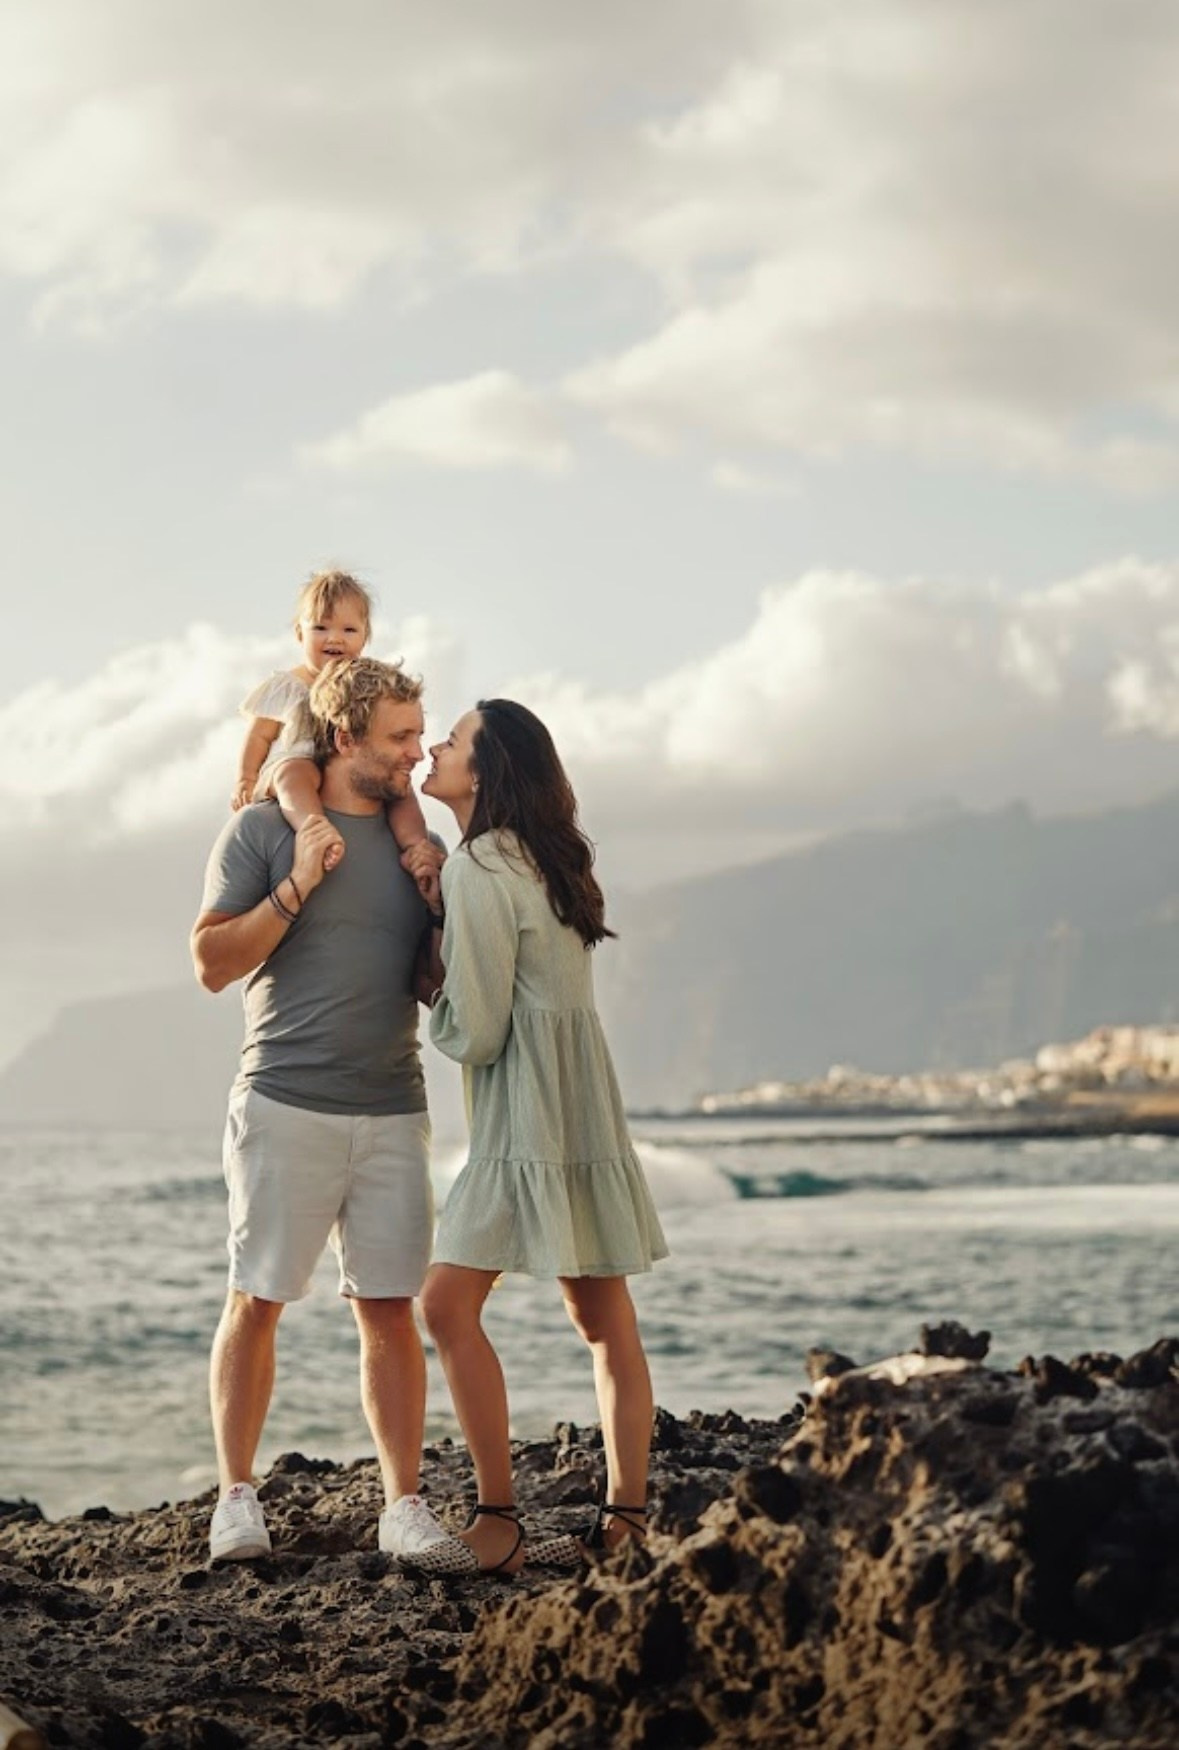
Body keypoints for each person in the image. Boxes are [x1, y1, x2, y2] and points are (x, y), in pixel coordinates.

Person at [400, 698, 668, 1578]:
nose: (432, 747)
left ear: (483, 771)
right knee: (603, 1321)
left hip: (522, 1117)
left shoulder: (479, 865)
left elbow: (476, 1033)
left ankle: (497, 1522)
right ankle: (625, 1525)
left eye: (451, 741)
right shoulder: (545, 860)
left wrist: (424, 986)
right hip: (582, 1108)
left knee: (444, 1307)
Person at [191, 655, 448, 1565]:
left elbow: (431, 988)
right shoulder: (263, 828)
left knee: (389, 1309)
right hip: (282, 1100)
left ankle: (403, 1506)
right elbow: (212, 964)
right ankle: (235, 1498)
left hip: (394, 1106)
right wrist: (296, 883)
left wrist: (440, 916)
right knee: (257, 1299)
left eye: (421, 735)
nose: (416, 754)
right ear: (344, 738)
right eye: (400, 738)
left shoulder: (417, 847)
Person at [232, 568, 429, 877]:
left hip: (346, 769)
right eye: (321, 627)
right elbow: (259, 735)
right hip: (294, 763)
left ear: (365, 637)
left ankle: (417, 846)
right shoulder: (290, 685)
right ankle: (314, 831)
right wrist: (246, 778)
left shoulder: (365, 688)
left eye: (349, 630)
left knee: (397, 783)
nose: (335, 638)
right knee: (296, 773)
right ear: (300, 633)